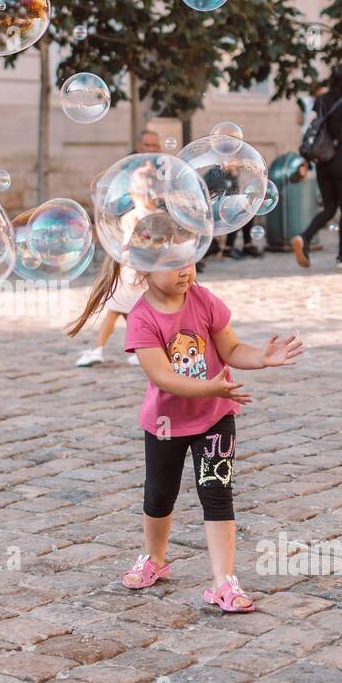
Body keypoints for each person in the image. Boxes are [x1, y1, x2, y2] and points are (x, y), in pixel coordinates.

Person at [69, 261, 302, 611]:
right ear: (144, 269)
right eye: (173, 264)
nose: (185, 270)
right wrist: (211, 386)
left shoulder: (203, 299)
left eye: (189, 260)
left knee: (217, 493)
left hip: (215, 417)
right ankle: (153, 558)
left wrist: (261, 358)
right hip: (165, 423)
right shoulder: (142, 318)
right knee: (160, 494)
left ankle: (223, 581)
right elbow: (163, 376)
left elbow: (232, 349)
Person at [71, 128, 163, 367]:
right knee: (132, 312)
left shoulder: (133, 217)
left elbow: (125, 248)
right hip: (143, 274)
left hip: (131, 273)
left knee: (117, 311)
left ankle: (100, 349)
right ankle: (136, 349)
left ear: (136, 192)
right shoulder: (157, 215)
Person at [291, 64, 342, 268]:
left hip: (322, 161)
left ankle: (304, 236)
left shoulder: (320, 100)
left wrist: (306, 161)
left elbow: (310, 131)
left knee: (329, 208)